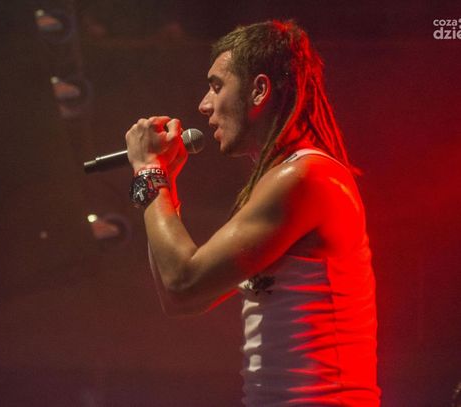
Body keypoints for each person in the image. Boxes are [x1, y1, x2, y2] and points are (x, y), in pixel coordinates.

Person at [125, 19, 380, 406]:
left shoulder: (306, 176)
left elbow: (184, 281)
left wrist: (148, 172)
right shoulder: (285, 179)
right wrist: (165, 184)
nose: (204, 105)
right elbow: (179, 300)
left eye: (216, 86)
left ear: (259, 90)